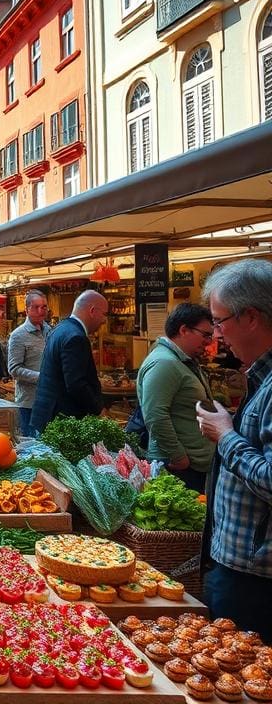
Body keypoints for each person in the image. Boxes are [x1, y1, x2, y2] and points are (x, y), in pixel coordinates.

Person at [194, 260, 272, 642]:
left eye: (220, 322)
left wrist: (225, 435)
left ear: (252, 317)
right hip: (243, 566)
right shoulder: (261, 375)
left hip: (256, 577)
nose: (217, 336)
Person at [135, 303, 215, 493]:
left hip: (193, 464)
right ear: (184, 330)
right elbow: (155, 415)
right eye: (205, 335)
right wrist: (178, 456)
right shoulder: (164, 363)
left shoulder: (181, 361)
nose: (208, 341)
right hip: (180, 468)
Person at [29, 289, 107, 435]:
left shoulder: (60, 329)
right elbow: (76, 384)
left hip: (48, 417)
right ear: (92, 310)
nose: (104, 320)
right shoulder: (76, 337)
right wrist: (98, 409)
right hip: (61, 421)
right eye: (104, 314)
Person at [8, 290, 53, 435]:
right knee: (32, 445)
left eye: (44, 307)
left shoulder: (50, 331)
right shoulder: (18, 335)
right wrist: (42, 377)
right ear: (27, 309)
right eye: (36, 307)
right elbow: (14, 369)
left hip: (49, 399)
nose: (41, 310)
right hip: (29, 402)